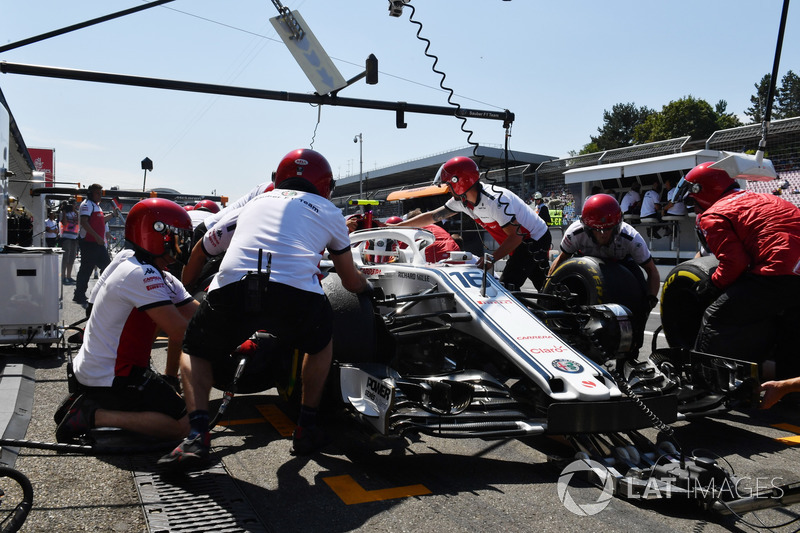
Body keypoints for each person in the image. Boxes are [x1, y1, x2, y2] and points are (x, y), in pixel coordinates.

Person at [160, 148, 370, 469]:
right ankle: (306, 427)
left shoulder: (255, 203)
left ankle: (197, 435)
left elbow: (203, 249)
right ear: (327, 185)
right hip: (296, 296)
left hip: (235, 288)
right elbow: (349, 280)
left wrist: (186, 290)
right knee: (320, 345)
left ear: (278, 178)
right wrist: (369, 288)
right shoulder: (330, 211)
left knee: (195, 349)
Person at [55, 198, 198, 443]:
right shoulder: (140, 273)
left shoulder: (148, 268)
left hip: (109, 368)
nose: (181, 244)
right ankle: (93, 414)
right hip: (113, 375)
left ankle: (92, 403)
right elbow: (180, 332)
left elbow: (198, 314)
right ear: (156, 234)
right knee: (186, 427)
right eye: (176, 237)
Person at [672, 162, 800, 378]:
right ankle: (789, 391)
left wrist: (713, 284)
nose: (694, 208)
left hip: (776, 274)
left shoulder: (714, 213)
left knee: (715, 317)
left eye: (693, 202)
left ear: (701, 193)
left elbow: (734, 263)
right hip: (791, 273)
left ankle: (704, 385)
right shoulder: (770, 199)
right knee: (790, 329)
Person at [392, 157, 551, 291]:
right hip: (521, 241)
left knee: (507, 286)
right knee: (545, 286)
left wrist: (491, 258)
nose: (448, 190)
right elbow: (433, 216)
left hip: (534, 238)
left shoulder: (494, 200)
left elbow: (516, 237)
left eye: (449, 185)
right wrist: (398, 227)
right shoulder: (462, 201)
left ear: (459, 182)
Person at [548, 194, 660, 352]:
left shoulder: (631, 237)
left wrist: (650, 301)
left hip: (623, 264)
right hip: (586, 264)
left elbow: (652, 271)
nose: (602, 234)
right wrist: (548, 287)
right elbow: (561, 260)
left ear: (616, 226)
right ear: (587, 228)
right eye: (597, 230)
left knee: (641, 306)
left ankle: (632, 348)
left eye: (607, 229)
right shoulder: (575, 233)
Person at [73, 184, 118, 306]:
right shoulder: (86, 205)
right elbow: (84, 222)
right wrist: (97, 237)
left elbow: (101, 221)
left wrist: (113, 215)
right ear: (90, 194)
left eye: (100, 193)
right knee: (86, 270)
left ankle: (104, 293)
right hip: (89, 242)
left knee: (108, 267)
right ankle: (79, 295)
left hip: (98, 243)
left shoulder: (96, 206)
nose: (100, 195)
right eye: (97, 193)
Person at [59, 199, 80, 284]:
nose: (74, 206)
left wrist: (75, 210)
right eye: (73, 204)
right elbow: (64, 223)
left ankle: (69, 276)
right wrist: (64, 212)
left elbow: (79, 220)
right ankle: (63, 277)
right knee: (65, 258)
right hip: (66, 237)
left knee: (72, 258)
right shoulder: (63, 213)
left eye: (74, 205)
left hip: (74, 237)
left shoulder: (75, 213)